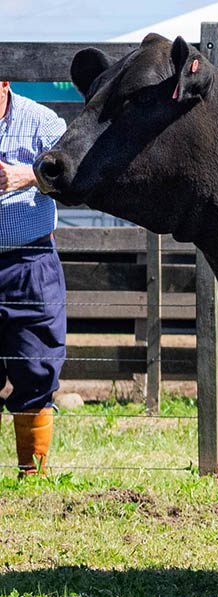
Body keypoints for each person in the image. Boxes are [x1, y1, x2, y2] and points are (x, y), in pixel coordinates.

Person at [0, 81, 67, 476]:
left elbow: (79, 171)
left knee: (36, 361)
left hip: (30, 261)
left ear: (5, 83)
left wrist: (29, 175)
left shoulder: (41, 121)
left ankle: (31, 471)